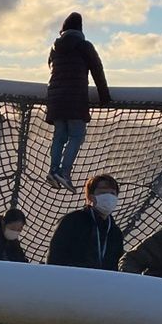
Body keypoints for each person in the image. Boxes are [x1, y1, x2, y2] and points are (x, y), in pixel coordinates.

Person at [45, 12, 112, 192]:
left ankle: (53, 171)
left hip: (55, 98)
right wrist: (104, 96)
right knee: (76, 135)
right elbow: (97, 70)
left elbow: (51, 67)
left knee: (59, 135)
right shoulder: (85, 46)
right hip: (75, 98)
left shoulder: (54, 47)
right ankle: (64, 173)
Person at [47, 174, 123, 271]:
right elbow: (54, 257)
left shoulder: (115, 232)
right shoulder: (72, 221)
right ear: (91, 197)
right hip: (73, 281)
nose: (109, 197)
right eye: (103, 192)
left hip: (103, 284)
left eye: (113, 193)